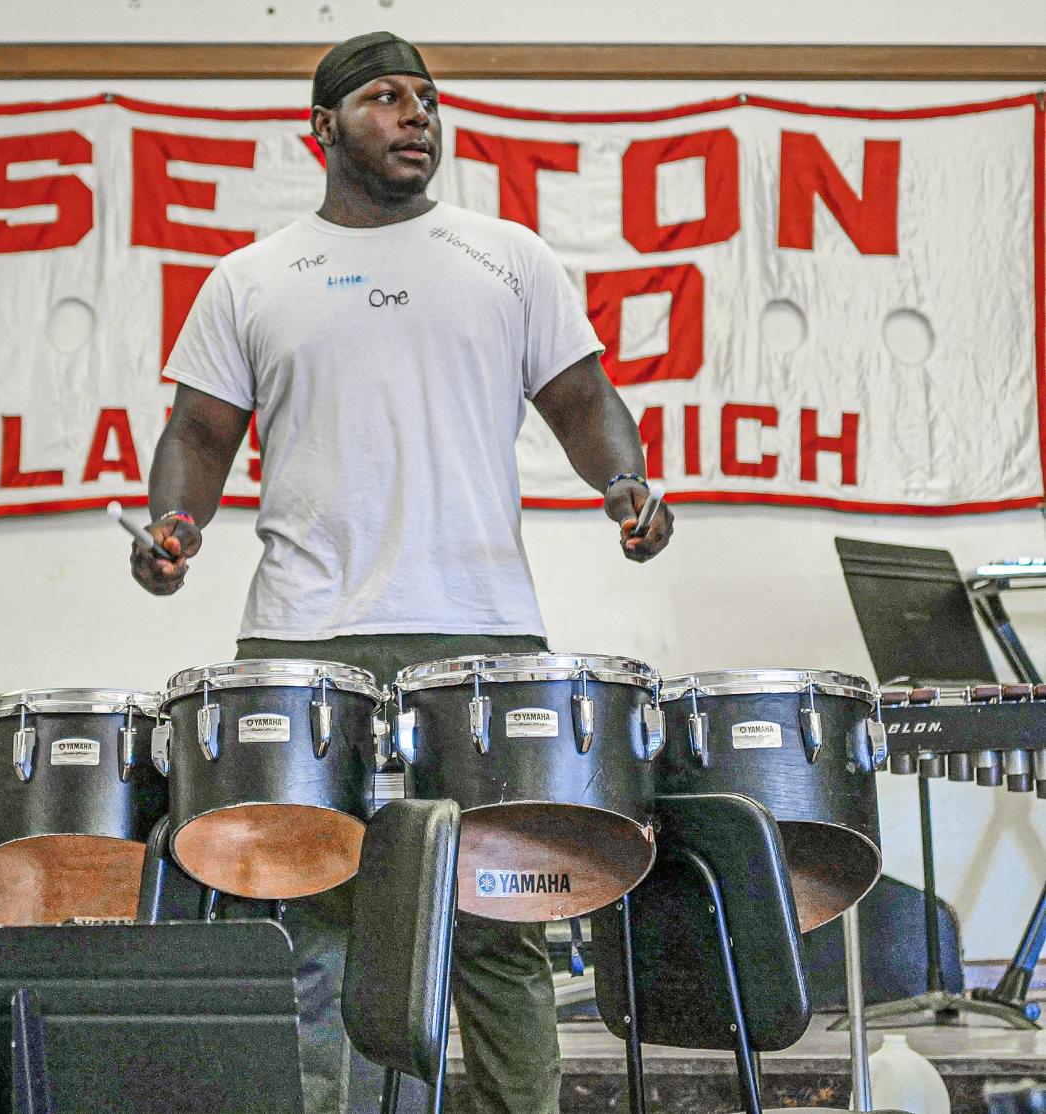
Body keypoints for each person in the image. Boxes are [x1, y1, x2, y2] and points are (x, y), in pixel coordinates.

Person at [129, 30, 674, 1114]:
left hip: (482, 637)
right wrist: (174, 524)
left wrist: (626, 484)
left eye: (426, 98)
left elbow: (581, 401)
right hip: (303, 638)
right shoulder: (252, 278)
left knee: (500, 924)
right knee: (310, 929)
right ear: (321, 127)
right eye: (384, 99)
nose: (417, 115)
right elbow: (198, 429)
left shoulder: (508, 257)